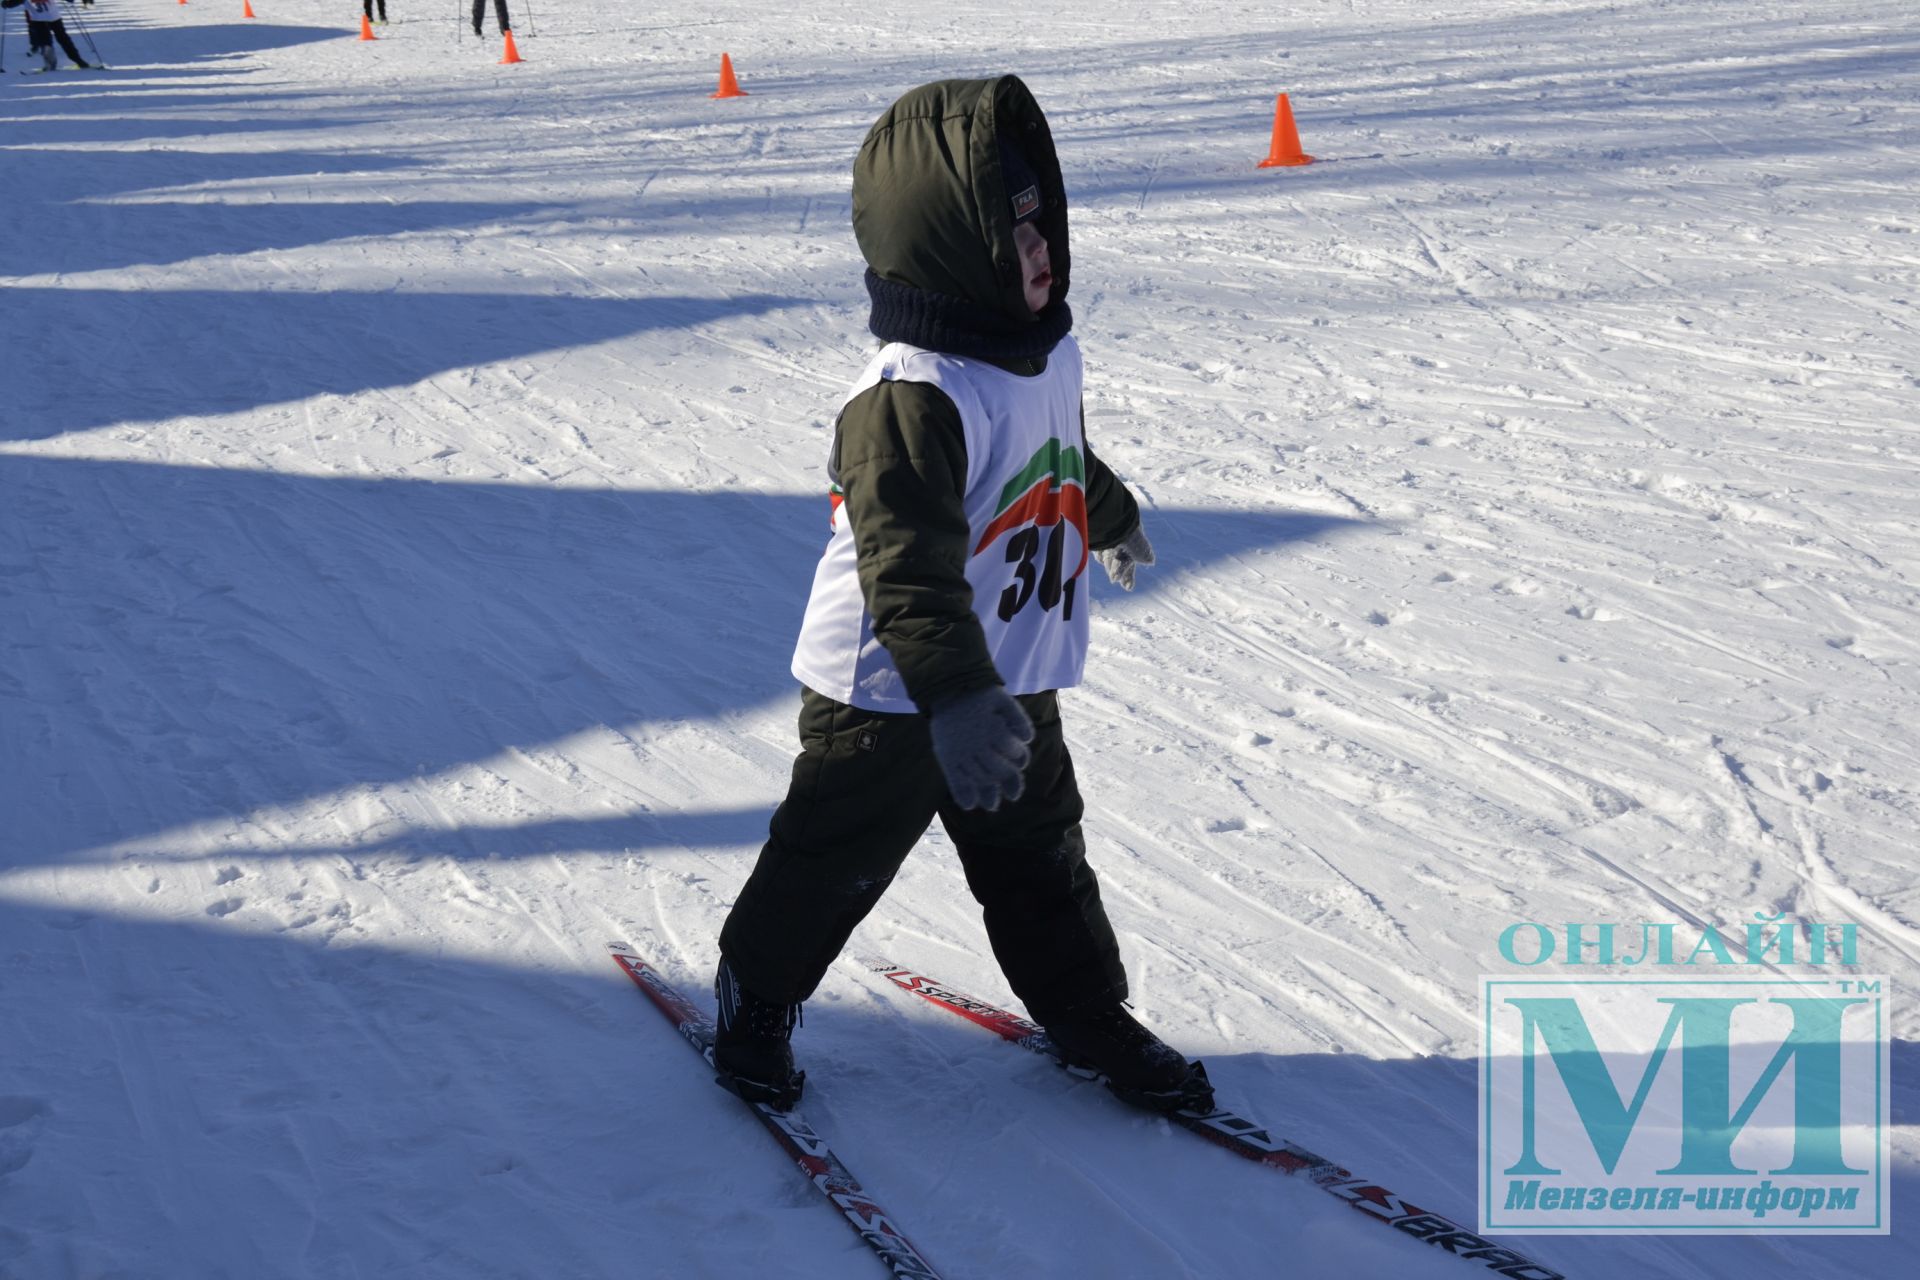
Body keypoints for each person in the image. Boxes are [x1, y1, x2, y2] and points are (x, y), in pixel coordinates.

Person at [711, 75, 1210, 1117]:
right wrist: (952, 692)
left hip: (1011, 672)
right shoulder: (911, 395)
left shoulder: (1040, 350)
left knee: (1042, 855)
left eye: (1042, 225)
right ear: (949, 244)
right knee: (833, 859)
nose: (1040, 251)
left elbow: (1057, 452)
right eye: (1010, 233)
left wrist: (1107, 514)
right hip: (892, 689)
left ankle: (1085, 1010)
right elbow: (904, 563)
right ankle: (755, 994)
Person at [10, 0, 90, 71]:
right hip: (53, 17)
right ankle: (78, 60)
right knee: (63, 39)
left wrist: (6, 4)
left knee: (46, 42)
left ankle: (51, 64)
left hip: (38, 19)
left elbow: (13, 3)